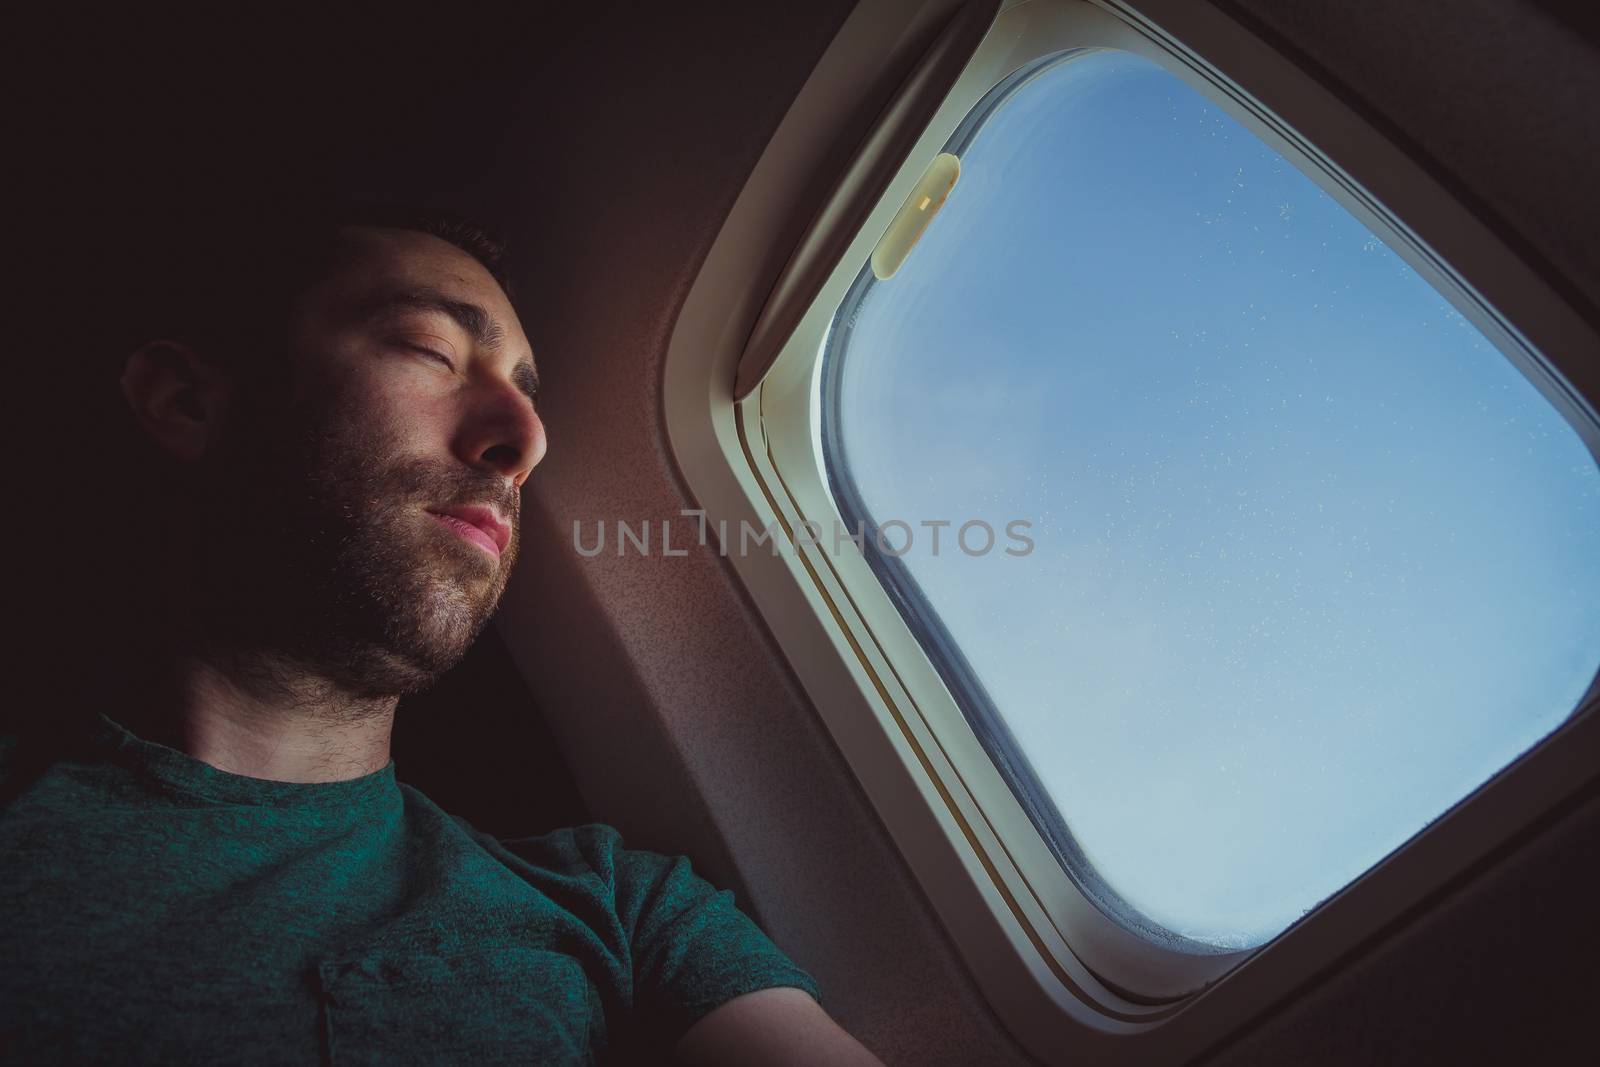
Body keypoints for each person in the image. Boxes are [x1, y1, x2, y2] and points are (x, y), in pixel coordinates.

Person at [0, 206, 884, 1066]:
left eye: (529, 395)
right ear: (188, 401)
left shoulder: (624, 909)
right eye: (432, 350)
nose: (528, 439)